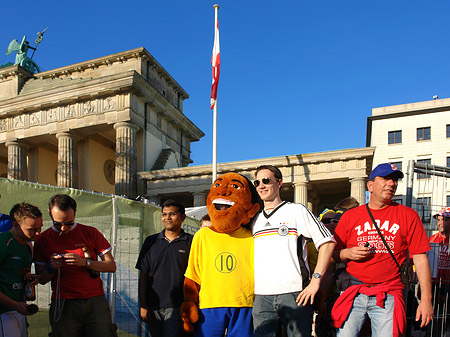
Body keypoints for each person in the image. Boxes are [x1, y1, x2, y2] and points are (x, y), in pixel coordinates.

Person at [332, 163, 433, 337]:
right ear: (370, 186)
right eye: (385, 178)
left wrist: (426, 300)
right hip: (353, 292)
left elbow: (420, 258)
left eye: (394, 180)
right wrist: (347, 253)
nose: (392, 184)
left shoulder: (409, 215)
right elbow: (332, 255)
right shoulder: (350, 216)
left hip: (388, 294)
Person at [252, 165, 336, 337]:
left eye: (266, 180)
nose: (261, 185)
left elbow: (327, 242)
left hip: (295, 294)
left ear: (279, 183)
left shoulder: (296, 211)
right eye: (257, 182)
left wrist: (316, 280)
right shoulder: (254, 220)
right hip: (262, 297)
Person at [34, 194, 117, 337]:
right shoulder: (43, 239)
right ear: (49, 213)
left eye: (69, 223)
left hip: (94, 300)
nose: (63, 229)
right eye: (57, 223)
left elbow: (111, 266)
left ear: (75, 213)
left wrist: (85, 263)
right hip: (64, 303)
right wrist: (51, 267)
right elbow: (41, 279)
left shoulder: (90, 233)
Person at [136, 199, 193, 337]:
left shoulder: (191, 242)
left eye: (172, 214)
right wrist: (143, 305)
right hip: (153, 306)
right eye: (164, 214)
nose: (167, 217)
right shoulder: (151, 241)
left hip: (177, 306)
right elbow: (144, 274)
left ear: (182, 217)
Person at [0, 203, 42, 337]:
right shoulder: (3, 243)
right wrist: (15, 305)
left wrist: (30, 279)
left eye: (40, 228)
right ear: (15, 224)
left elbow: (21, 273)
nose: (37, 233)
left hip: (19, 310)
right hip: (3, 312)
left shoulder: (27, 246)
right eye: (32, 229)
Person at [428, 207, 450, 336]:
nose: (440, 223)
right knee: (435, 316)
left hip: (448, 283)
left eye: (445, 220)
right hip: (435, 284)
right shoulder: (432, 239)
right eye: (439, 220)